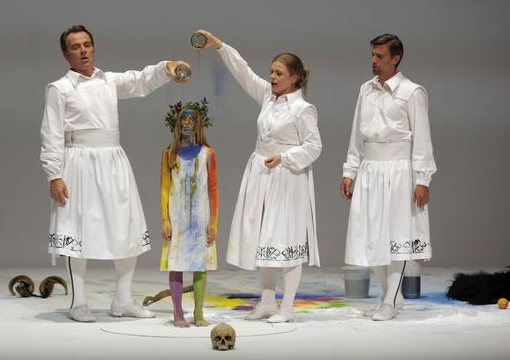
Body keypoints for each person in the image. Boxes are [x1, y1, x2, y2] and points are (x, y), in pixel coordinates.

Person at [40, 25, 190, 322]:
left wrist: (167, 68)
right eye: (75, 46)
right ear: (65, 54)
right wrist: (54, 175)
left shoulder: (108, 81)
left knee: (126, 227)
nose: (83, 50)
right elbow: (51, 134)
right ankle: (78, 302)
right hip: (78, 163)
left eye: (87, 44)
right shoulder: (60, 89)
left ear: (93, 48)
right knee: (76, 230)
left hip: (113, 161)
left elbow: (140, 81)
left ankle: (123, 299)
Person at [197, 30, 321, 323]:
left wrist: (285, 158)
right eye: (272, 72)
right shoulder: (268, 96)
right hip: (261, 173)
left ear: (294, 78)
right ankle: (267, 301)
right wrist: (221, 47)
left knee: (286, 239)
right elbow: (244, 73)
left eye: (279, 73)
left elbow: (314, 146)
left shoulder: (303, 109)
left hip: (287, 178)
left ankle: (287, 306)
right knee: (266, 237)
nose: (273, 77)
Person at [340, 34, 437, 321]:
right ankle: (391, 297)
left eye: (380, 56)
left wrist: (423, 179)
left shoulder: (412, 92)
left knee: (398, 236)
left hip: (398, 171)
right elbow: (357, 134)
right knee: (374, 237)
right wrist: (350, 171)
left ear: (396, 58)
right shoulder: (365, 90)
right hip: (370, 168)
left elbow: (422, 139)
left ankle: (390, 299)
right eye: (372, 55)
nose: (373, 60)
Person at [159, 101, 218, 327]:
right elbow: (165, 189)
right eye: (183, 120)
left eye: (192, 120)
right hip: (177, 219)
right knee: (176, 264)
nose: (187, 124)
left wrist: (213, 222)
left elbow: (213, 190)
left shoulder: (208, 154)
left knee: (200, 265)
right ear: (176, 124)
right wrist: (165, 219)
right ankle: (177, 312)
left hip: (200, 219)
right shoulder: (169, 155)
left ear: (199, 125)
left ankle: (199, 312)